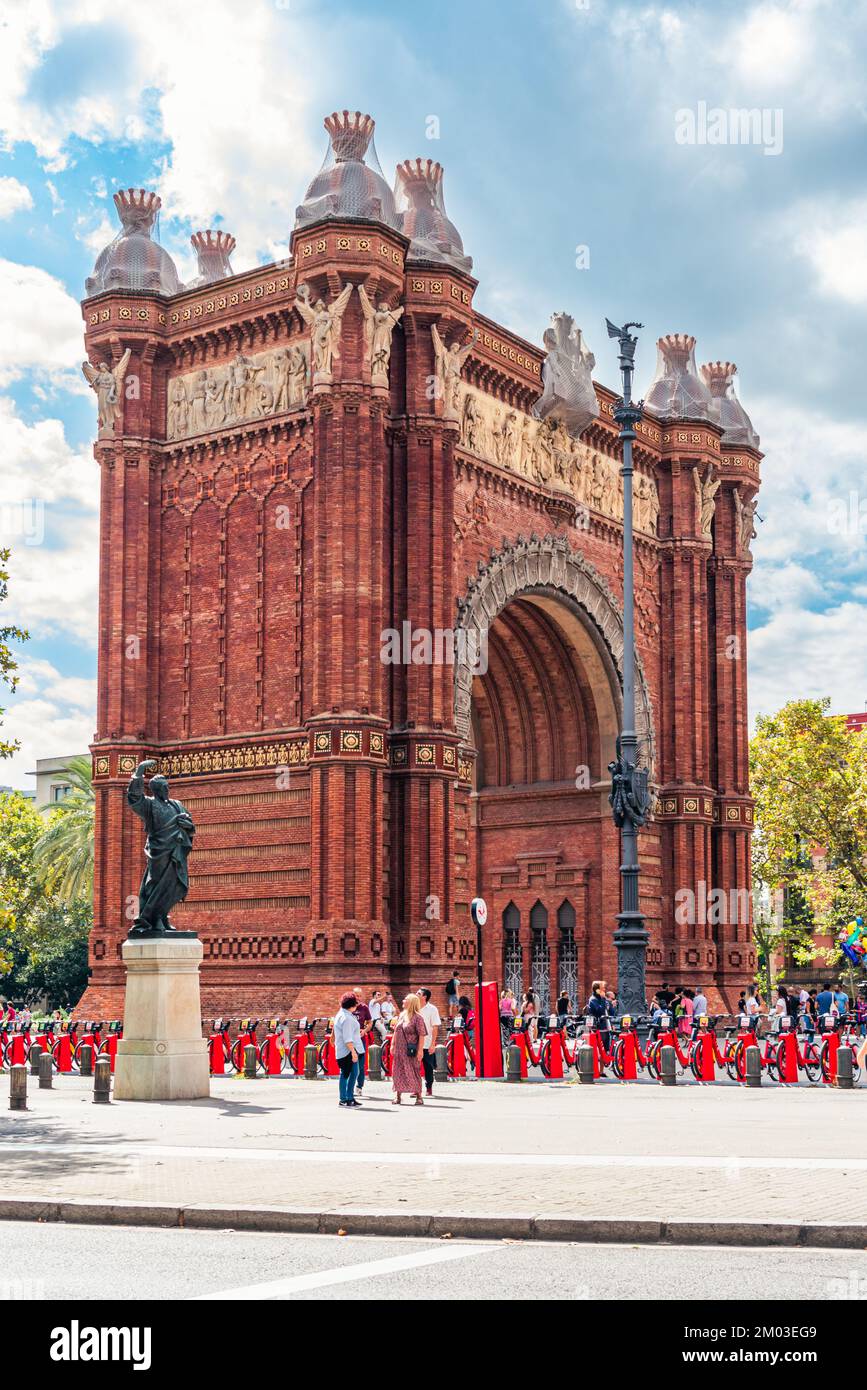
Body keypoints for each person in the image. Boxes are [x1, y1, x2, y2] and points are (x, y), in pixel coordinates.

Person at [391, 994, 427, 1105]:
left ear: (411, 1002)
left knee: (413, 1072)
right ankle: (398, 1096)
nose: (403, 1000)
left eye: (405, 999)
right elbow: (396, 1032)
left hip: (410, 1051)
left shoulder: (418, 1018)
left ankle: (419, 1096)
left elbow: (422, 1035)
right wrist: (392, 1044)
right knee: (398, 1072)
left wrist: (420, 1050)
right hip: (399, 1050)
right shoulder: (401, 1015)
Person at [333, 992, 363, 1108]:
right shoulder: (347, 1018)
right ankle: (346, 1098)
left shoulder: (342, 1014)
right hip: (347, 1050)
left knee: (348, 1073)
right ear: (352, 1004)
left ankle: (347, 1098)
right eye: (356, 1003)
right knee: (350, 1074)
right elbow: (347, 1038)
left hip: (343, 1049)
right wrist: (353, 1053)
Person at [417, 987, 442, 1098]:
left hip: (427, 1043)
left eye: (418, 993)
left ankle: (429, 1088)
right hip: (415, 1044)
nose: (416, 994)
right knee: (415, 1067)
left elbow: (435, 1027)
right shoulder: (414, 1008)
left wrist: (433, 1044)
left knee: (428, 1067)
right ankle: (416, 1089)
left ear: (424, 996)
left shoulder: (432, 1009)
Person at [353, 986, 373, 1098]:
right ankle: (349, 1086)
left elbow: (370, 1023)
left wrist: (364, 1030)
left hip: (360, 1039)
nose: (358, 998)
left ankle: (359, 1086)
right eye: (357, 995)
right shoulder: (348, 1007)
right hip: (350, 1039)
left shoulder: (364, 1008)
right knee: (350, 1063)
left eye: (360, 996)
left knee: (360, 1065)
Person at [585, 980, 610, 1049]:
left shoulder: (601, 999)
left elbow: (609, 1010)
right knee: (601, 1048)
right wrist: (603, 999)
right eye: (603, 988)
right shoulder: (593, 999)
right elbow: (600, 1010)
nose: (604, 990)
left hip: (605, 1027)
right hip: (599, 1027)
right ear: (597, 990)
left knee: (606, 1048)